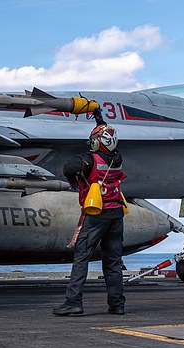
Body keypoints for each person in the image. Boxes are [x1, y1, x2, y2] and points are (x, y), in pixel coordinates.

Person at [53, 112, 127, 316]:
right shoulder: (117, 158)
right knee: (113, 261)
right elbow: (106, 137)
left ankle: (73, 302)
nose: (91, 143)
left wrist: (74, 179)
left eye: (94, 140)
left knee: (81, 257)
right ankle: (117, 305)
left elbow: (70, 167)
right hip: (116, 214)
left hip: (96, 215)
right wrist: (98, 118)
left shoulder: (90, 160)